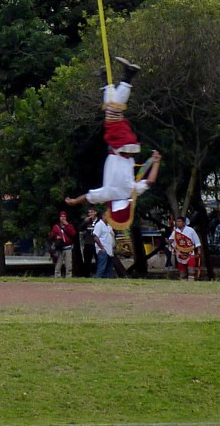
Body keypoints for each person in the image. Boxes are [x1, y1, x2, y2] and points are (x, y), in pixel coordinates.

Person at [65, 59, 162, 231]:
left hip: (127, 146)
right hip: (118, 146)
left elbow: (151, 181)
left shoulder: (132, 193)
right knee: (113, 111)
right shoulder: (108, 194)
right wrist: (73, 201)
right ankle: (128, 75)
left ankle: (106, 80)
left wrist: (156, 161)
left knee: (112, 111)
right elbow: (88, 197)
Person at [168, 216, 201, 281]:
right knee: (182, 269)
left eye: (179, 221)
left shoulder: (190, 230)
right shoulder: (175, 232)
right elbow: (171, 241)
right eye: (177, 222)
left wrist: (199, 250)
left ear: (183, 223)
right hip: (180, 252)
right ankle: (183, 281)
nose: (178, 223)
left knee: (191, 267)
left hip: (190, 251)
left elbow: (196, 240)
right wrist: (172, 247)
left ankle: (191, 280)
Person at [50, 211, 76, 279]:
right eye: (61, 216)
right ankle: (57, 277)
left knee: (68, 265)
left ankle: (68, 277)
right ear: (59, 218)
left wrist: (67, 225)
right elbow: (51, 237)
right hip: (59, 248)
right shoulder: (56, 227)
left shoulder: (69, 225)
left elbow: (73, 234)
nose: (63, 218)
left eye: (64, 216)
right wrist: (56, 237)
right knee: (58, 264)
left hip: (68, 248)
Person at [93, 212, 116, 278]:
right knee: (102, 267)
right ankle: (98, 280)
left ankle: (107, 282)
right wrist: (101, 248)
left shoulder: (109, 226)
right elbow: (95, 236)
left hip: (110, 250)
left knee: (109, 268)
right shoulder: (99, 225)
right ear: (103, 216)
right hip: (103, 249)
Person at [80, 208, 98, 277]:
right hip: (88, 243)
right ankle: (87, 275)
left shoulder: (99, 221)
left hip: (96, 243)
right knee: (87, 261)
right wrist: (84, 222)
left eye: (92, 212)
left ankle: (98, 274)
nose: (90, 214)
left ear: (95, 212)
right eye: (89, 212)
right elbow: (80, 228)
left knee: (98, 260)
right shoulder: (87, 221)